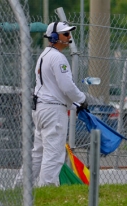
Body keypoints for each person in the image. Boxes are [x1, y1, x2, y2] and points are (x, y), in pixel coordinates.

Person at [31, 21, 87, 187]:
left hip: (42, 109)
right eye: (65, 34)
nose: (69, 37)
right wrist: (82, 99)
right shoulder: (58, 57)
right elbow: (66, 86)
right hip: (53, 112)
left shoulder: (44, 55)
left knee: (38, 154)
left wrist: (74, 105)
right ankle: (46, 190)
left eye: (69, 33)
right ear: (54, 37)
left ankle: (19, 188)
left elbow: (54, 88)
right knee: (54, 155)